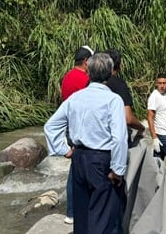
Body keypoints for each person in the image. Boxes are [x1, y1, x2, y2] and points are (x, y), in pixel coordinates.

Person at [44, 52, 128, 234]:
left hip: (79, 158)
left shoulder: (76, 98)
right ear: (109, 73)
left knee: (82, 216)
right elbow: (119, 138)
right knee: (105, 216)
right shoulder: (113, 100)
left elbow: (50, 126)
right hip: (101, 159)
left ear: (88, 72)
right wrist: (118, 170)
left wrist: (63, 150)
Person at [58, 44, 93, 225]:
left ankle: (71, 212)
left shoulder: (67, 77)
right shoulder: (85, 79)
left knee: (76, 167)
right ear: (86, 61)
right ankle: (76, 211)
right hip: (82, 128)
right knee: (81, 170)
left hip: (69, 127)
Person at [104, 48, 146, 144]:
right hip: (113, 140)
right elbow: (128, 119)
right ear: (119, 65)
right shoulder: (119, 84)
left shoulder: (91, 83)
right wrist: (141, 127)